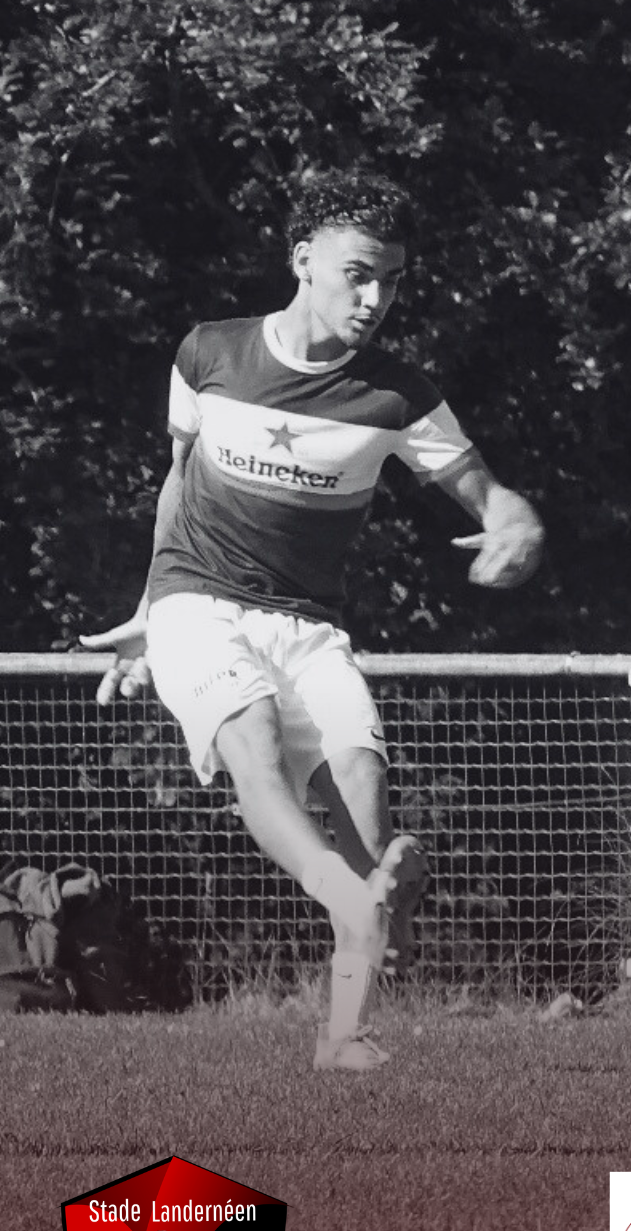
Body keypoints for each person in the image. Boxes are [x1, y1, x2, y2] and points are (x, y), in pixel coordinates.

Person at [83, 168, 544, 1071]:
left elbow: (489, 495)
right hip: (197, 601)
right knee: (254, 742)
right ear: (303, 260)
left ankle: (346, 1029)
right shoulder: (209, 353)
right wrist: (147, 610)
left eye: (392, 281)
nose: (376, 300)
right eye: (357, 275)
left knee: (363, 787)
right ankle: (352, 897)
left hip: (308, 626)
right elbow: (177, 482)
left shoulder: (397, 397)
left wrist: (517, 526)